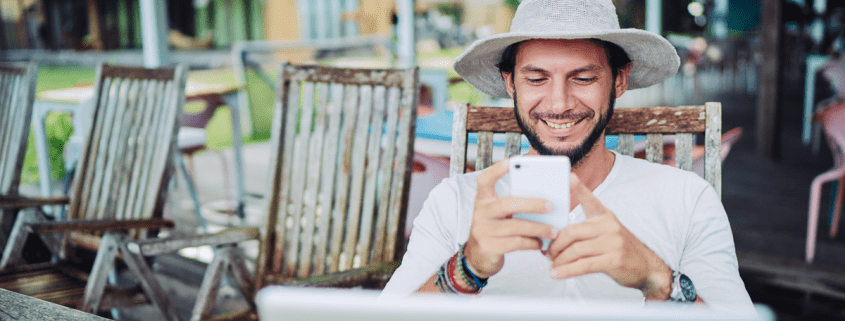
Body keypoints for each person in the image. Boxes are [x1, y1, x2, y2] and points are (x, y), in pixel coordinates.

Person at [382, 0, 754, 315]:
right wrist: (464, 270)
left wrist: (659, 280)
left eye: (583, 78)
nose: (559, 104)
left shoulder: (686, 198)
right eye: (536, 79)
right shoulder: (456, 201)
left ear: (619, 80)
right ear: (511, 83)